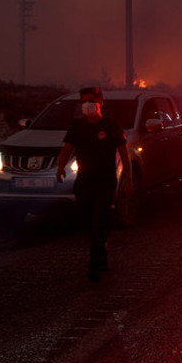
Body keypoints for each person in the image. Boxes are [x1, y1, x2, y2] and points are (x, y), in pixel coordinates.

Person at [56, 87, 133, 283]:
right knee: (89, 224)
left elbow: (124, 154)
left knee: (98, 221)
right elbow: (67, 149)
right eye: (83, 101)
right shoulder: (77, 127)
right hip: (84, 183)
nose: (87, 105)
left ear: (100, 102)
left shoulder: (111, 126)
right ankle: (102, 250)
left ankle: (94, 264)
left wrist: (128, 180)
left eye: (91, 100)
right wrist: (60, 168)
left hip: (105, 182)